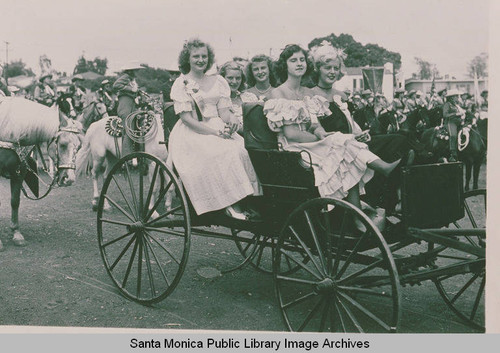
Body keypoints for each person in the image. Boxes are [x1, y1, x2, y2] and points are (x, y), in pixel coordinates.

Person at [264, 44, 402, 227]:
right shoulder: (279, 92)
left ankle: (357, 214)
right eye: (293, 60)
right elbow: (291, 134)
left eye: (302, 59)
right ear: (285, 65)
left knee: (344, 146)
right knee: (340, 141)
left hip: (311, 142)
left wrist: (322, 132)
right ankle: (383, 169)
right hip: (294, 148)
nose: (299, 64)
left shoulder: (306, 92)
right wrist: (322, 139)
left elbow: (314, 124)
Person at [309, 42, 413, 212]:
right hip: (335, 150)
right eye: (328, 68)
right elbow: (315, 127)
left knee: (399, 140)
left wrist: (362, 134)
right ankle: (379, 197)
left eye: (335, 68)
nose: (332, 72)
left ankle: (395, 197)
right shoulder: (311, 94)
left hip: (354, 144)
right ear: (318, 69)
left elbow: (352, 125)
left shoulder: (341, 96)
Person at [167, 38, 261, 219]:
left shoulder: (218, 81)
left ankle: (247, 199)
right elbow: (186, 119)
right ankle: (230, 204)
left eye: (204, 56)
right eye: (196, 56)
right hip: (192, 132)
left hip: (218, 126)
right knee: (220, 152)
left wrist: (232, 119)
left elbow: (224, 112)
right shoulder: (181, 84)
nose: (201, 60)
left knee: (243, 149)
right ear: (188, 58)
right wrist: (214, 132)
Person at [113, 61, 143, 156]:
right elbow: (116, 85)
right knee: (128, 131)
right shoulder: (125, 77)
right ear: (131, 71)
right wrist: (130, 89)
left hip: (132, 106)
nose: (137, 72)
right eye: (136, 70)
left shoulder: (132, 79)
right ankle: (125, 157)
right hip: (125, 106)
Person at [219, 61, 258, 129]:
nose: (234, 82)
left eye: (238, 78)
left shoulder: (250, 97)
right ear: (222, 79)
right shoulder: (217, 101)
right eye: (230, 78)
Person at [442, 89, 466, 162]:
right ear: (452, 97)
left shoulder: (456, 105)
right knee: (453, 135)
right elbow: (445, 115)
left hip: (458, 122)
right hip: (450, 122)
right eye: (456, 96)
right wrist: (455, 114)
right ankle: (452, 154)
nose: (457, 97)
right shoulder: (447, 104)